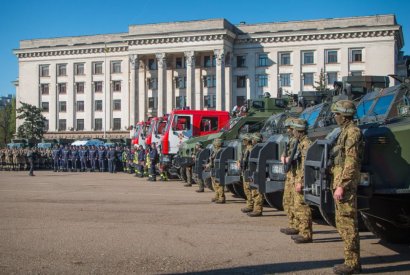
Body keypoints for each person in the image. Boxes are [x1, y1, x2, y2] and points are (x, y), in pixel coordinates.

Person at [331, 100, 363, 275]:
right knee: (342, 223)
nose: (335, 117)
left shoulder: (353, 133)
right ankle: (349, 260)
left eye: (337, 114)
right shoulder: (344, 131)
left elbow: (351, 161)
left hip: (346, 185)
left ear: (344, 115)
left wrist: (342, 185)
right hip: (340, 182)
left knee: (348, 224)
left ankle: (353, 264)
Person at [290, 118, 313, 244]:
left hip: (301, 178)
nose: (292, 131)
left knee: (303, 207)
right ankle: (301, 231)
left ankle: (306, 234)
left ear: (299, 130)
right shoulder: (300, 143)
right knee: (298, 205)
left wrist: (301, 181)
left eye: (294, 129)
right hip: (297, 177)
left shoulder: (306, 144)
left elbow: (305, 165)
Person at [280, 118, 300, 235]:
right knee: (287, 201)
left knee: (296, 203)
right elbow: (286, 152)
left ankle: (299, 227)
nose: (288, 130)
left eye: (290, 128)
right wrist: (283, 157)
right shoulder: (291, 140)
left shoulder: (300, 141)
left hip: (296, 175)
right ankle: (292, 224)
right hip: (290, 174)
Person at [247, 133, 264, 217]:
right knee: (253, 190)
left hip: (256, 173)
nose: (251, 140)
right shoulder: (255, 148)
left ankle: (258, 209)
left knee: (257, 191)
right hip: (252, 172)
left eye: (253, 139)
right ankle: (255, 208)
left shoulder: (259, 148)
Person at [205, 138, 225, 203]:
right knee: (214, 184)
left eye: (215, 142)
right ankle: (217, 196)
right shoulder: (215, 150)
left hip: (217, 169)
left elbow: (216, 161)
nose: (214, 143)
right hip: (213, 169)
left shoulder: (220, 151)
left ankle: (221, 198)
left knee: (219, 184)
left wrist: (209, 165)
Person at [240, 134, 254, 213]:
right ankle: (249, 204)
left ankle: (250, 205)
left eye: (244, 140)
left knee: (248, 189)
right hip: (245, 171)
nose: (243, 141)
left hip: (248, 171)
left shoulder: (251, 149)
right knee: (246, 189)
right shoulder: (246, 149)